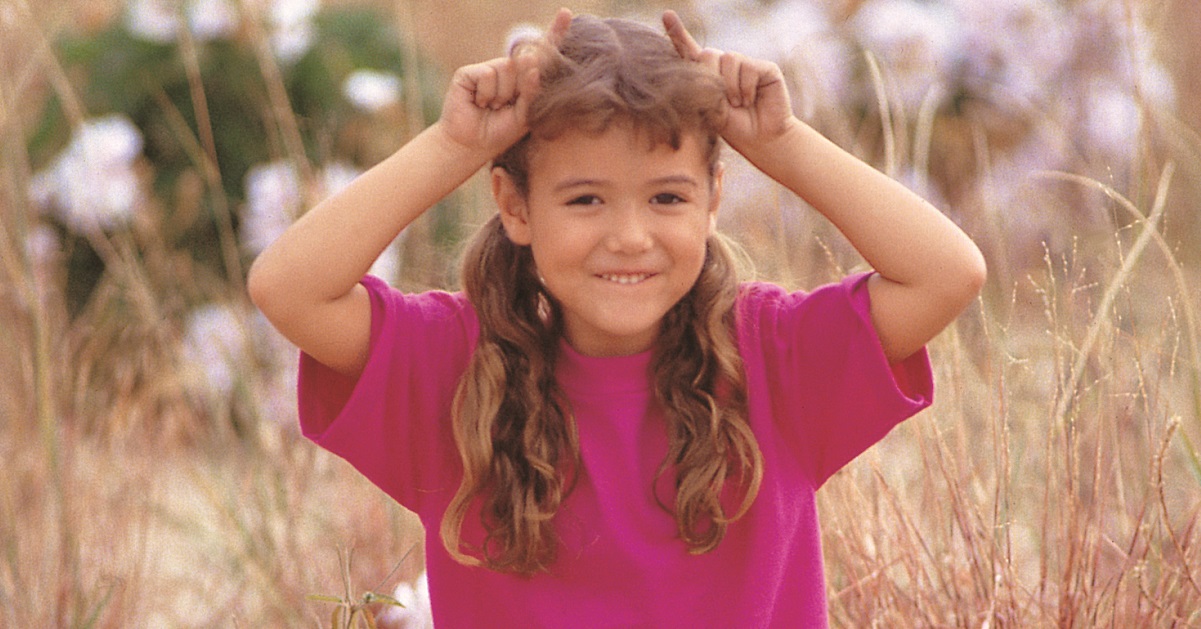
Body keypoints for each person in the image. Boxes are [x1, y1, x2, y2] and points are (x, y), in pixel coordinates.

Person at [248, 8, 986, 628]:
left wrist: (780, 143)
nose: (629, 235)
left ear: (712, 198)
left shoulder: (770, 357)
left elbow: (946, 272)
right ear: (514, 206)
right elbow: (289, 288)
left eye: (667, 197)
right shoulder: (452, 365)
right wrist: (453, 147)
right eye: (584, 199)